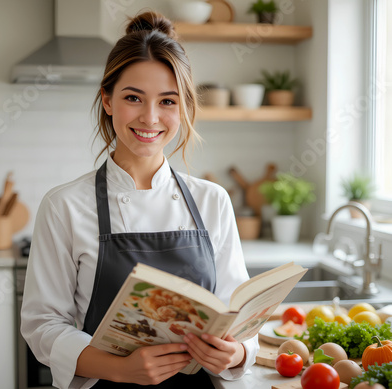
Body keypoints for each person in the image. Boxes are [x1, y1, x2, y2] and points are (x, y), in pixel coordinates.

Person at [21, 10, 259, 389]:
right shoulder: (64, 205)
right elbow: (42, 326)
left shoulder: (212, 200)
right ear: (109, 100)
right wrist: (120, 369)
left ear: (183, 107)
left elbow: (239, 315)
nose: (150, 118)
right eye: (134, 97)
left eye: (168, 101)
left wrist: (238, 352)